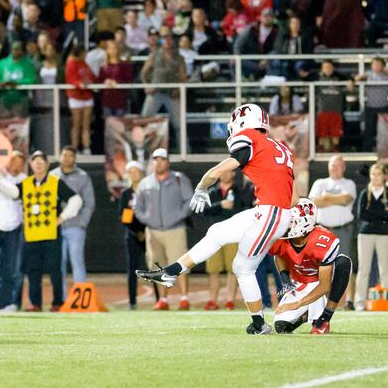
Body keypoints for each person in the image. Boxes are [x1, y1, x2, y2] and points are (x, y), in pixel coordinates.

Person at [139, 103, 295, 334]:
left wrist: (202, 185)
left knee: (243, 267)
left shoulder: (250, 137)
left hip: (271, 212)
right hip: (272, 210)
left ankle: (260, 324)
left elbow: (223, 168)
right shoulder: (279, 145)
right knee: (217, 232)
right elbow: (290, 188)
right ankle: (171, 272)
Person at [0, 150, 83, 312]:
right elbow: (13, 193)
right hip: (31, 235)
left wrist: (62, 217)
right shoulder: (26, 183)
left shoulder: (55, 182)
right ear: (31, 165)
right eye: (35, 161)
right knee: (33, 272)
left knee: (55, 270)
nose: (38, 164)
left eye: (41, 161)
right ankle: (35, 303)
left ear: (47, 165)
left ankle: (58, 302)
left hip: (51, 234)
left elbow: (76, 199)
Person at [272, 199, 353, 334]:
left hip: (320, 281)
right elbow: (278, 254)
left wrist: (297, 304)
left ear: (305, 223)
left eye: (293, 222)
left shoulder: (321, 240)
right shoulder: (281, 237)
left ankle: (325, 317)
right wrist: (286, 281)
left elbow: (324, 285)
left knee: (343, 262)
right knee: (281, 326)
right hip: (300, 281)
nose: (288, 225)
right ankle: (308, 314)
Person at [134, 148, 194, 310]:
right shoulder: (145, 183)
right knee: (158, 265)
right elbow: (137, 207)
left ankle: (184, 297)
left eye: (162, 159)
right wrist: (147, 220)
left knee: (180, 264)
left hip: (175, 229)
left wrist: (178, 216)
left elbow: (189, 201)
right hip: (153, 232)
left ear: (168, 162)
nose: (159, 163)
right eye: (156, 159)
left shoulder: (179, 179)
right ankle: (163, 300)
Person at [309, 156, 358, 309]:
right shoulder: (320, 182)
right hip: (323, 229)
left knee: (346, 264)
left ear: (343, 167)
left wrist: (326, 197)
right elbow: (314, 202)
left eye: (337, 165)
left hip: (343, 229)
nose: (334, 168)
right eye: (331, 165)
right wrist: (333, 199)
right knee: (323, 266)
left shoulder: (349, 183)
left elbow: (346, 200)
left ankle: (349, 300)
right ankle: (322, 301)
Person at [50, 146, 95, 291]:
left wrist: (82, 222)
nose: (67, 158)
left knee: (77, 262)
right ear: (59, 157)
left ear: (75, 158)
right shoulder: (51, 176)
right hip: (55, 227)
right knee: (58, 263)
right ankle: (60, 299)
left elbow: (89, 203)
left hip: (75, 226)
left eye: (70, 155)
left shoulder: (83, 176)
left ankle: (81, 297)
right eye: (64, 155)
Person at [202, 169, 247, 310]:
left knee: (232, 270)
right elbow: (205, 210)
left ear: (233, 174)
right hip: (215, 235)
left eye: (229, 172)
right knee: (213, 270)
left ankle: (230, 300)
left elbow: (244, 210)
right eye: (223, 172)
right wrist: (221, 205)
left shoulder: (239, 191)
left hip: (233, 235)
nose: (226, 174)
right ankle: (212, 300)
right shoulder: (213, 191)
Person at [0, 151, 27, 312]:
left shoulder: (23, 180)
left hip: (15, 228)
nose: (16, 165)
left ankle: (11, 302)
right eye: (13, 161)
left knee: (13, 268)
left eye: (19, 162)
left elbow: (14, 193)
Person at [141, 26, 186, 139]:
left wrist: (178, 89)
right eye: (165, 38)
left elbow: (183, 76)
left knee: (179, 124)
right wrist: (146, 86)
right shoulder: (154, 54)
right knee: (144, 120)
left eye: (170, 38)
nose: (168, 41)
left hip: (172, 93)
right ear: (162, 41)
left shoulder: (179, 57)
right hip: (155, 91)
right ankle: (141, 149)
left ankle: (185, 150)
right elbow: (144, 72)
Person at [354, 163, 388, 310]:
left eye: (379, 174)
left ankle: (385, 301)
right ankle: (359, 303)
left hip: (384, 234)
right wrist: (381, 214)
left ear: (384, 176)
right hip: (366, 234)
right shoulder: (364, 193)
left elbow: (371, 214)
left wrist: (374, 214)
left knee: (385, 269)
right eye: (373, 174)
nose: (375, 177)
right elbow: (361, 214)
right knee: (363, 269)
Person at [119, 161, 149, 309]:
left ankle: (160, 299)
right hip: (132, 235)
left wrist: (145, 231)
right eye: (130, 172)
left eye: (136, 171)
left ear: (141, 173)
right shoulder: (126, 194)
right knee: (132, 269)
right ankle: (132, 302)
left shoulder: (148, 191)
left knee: (153, 266)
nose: (133, 174)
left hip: (149, 233)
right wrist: (137, 232)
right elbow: (124, 217)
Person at [0, 41, 38, 118]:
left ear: (22, 51)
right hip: (4, 100)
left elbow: (32, 80)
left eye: (17, 49)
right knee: (3, 127)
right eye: (13, 49)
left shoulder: (28, 64)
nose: (15, 51)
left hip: (21, 101)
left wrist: (18, 83)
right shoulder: (1, 64)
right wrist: (0, 83)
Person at [64, 45, 95, 154]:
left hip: (87, 96)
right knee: (76, 124)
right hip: (76, 96)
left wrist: (90, 82)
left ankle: (86, 147)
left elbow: (91, 76)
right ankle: (75, 148)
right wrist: (79, 84)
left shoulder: (84, 63)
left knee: (86, 124)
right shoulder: (71, 63)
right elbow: (70, 79)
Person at [355, 57, 388, 152]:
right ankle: (366, 152)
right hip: (370, 107)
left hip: (384, 107)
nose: (377, 66)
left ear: (383, 66)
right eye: (375, 64)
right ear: (372, 66)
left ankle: (385, 152)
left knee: (385, 131)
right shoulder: (368, 75)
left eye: (379, 64)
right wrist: (358, 78)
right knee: (368, 131)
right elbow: (357, 79)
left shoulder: (386, 75)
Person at [315, 60, 348, 152]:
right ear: (322, 69)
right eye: (325, 67)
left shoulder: (340, 78)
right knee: (323, 133)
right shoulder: (317, 79)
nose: (327, 69)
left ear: (333, 68)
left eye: (329, 67)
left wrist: (351, 81)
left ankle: (335, 149)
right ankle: (323, 149)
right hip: (323, 111)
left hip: (336, 111)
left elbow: (350, 79)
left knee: (335, 133)